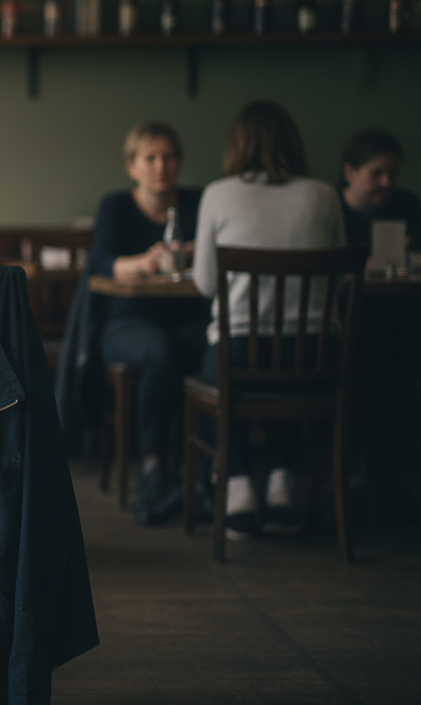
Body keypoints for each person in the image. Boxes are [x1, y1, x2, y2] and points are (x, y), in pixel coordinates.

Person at [192, 101, 346, 541]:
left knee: (216, 370)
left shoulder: (219, 194)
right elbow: (337, 280)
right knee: (283, 367)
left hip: (239, 349)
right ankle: (284, 483)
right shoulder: (325, 195)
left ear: (236, 144)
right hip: (318, 352)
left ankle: (238, 487)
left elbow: (205, 283)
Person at [88, 121, 208, 526]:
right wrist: (147, 261)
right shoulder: (116, 206)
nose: (161, 166)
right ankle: (154, 465)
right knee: (160, 352)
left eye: (169, 157)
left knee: (214, 349)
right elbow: (101, 265)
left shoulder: (198, 203)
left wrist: (197, 253)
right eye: (150, 158)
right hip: (127, 325)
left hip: (187, 320)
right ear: (132, 166)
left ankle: (206, 473)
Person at [337, 128, 421, 250]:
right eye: (376, 173)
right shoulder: (330, 208)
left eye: (392, 173)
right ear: (349, 172)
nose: (387, 182)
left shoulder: (406, 204)